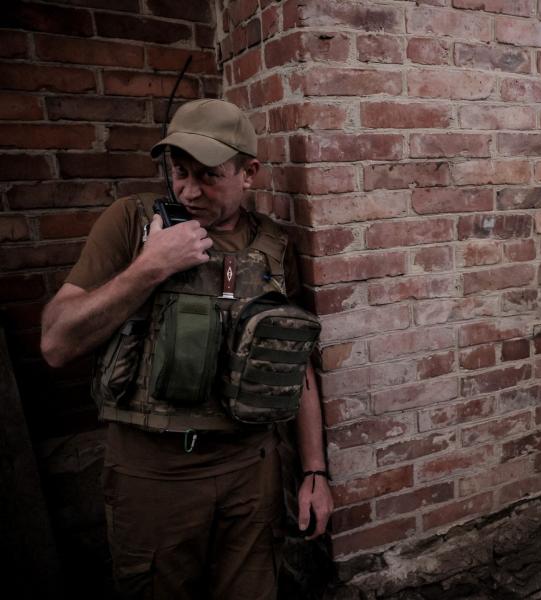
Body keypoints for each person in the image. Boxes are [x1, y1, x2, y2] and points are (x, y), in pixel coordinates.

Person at [40, 98, 334, 599]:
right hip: (154, 476)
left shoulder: (274, 246)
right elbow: (55, 343)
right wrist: (150, 267)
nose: (189, 190)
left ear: (250, 173)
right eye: (179, 172)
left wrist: (314, 471)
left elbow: (295, 363)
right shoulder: (132, 223)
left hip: (251, 471)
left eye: (208, 175)